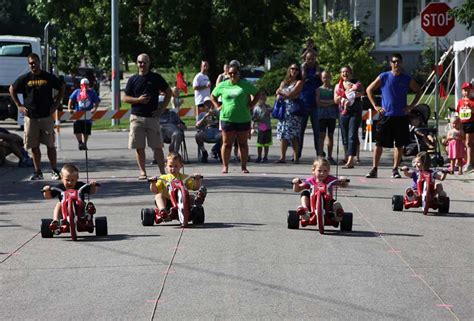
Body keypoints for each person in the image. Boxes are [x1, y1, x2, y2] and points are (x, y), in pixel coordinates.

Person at [9, 53, 65, 180]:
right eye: (30, 63)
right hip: (31, 117)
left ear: (39, 62)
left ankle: (54, 170)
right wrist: (19, 105)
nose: (33, 65)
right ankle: (37, 171)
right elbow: (12, 89)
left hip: (46, 116)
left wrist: (56, 104)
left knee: (50, 145)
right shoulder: (25, 78)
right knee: (34, 146)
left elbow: (62, 87)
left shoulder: (48, 77)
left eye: (34, 62)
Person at [365, 53, 422, 179]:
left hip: (400, 115)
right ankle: (374, 168)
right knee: (379, 143)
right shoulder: (384, 76)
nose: (396, 64)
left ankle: (395, 169)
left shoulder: (406, 78)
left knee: (399, 143)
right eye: (394, 61)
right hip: (386, 115)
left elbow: (418, 90)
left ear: (401, 63)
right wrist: (376, 106)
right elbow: (369, 89)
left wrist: (411, 106)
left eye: (398, 61)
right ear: (390, 63)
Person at [124, 53, 172, 180]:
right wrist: (138, 100)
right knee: (139, 146)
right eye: (140, 62)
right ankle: (142, 172)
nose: (142, 65)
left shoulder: (156, 78)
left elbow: (169, 92)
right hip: (137, 117)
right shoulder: (133, 79)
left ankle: (163, 172)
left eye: (145, 62)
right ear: (137, 63)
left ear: (149, 63)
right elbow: (126, 98)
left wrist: (161, 109)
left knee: (157, 146)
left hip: (152, 117)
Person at [211, 63, 260, 174]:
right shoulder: (223, 85)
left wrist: (252, 104)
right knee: (227, 144)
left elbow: (257, 93)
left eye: (235, 73)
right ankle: (225, 166)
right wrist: (217, 106)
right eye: (230, 73)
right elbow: (213, 96)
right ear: (227, 74)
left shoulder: (245, 84)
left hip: (243, 118)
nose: (232, 75)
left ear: (239, 73)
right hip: (227, 118)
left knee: (242, 144)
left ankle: (243, 166)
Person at [149, 152, 206, 223]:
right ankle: (163, 211)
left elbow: (195, 187)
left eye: (176, 166)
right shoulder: (163, 178)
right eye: (170, 166)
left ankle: (196, 202)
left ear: (181, 165)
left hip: (184, 202)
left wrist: (197, 180)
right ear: (166, 165)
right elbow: (155, 190)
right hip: (167, 203)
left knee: (191, 196)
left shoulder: (184, 177)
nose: (173, 168)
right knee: (158, 196)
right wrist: (153, 183)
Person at [42, 163, 98, 232]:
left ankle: (88, 215)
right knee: (59, 204)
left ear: (77, 178)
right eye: (67, 180)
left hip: (80, 210)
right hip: (64, 211)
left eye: (72, 180)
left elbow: (92, 191)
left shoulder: (80, 186)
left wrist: (93, 185)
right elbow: (48, 197)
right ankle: (55, 221)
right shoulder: (59, 187)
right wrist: (46, 191)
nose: (70, 182)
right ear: (62, 177)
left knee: (84, 203)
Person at [291, 158, 349, 225]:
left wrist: (343, 180)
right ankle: (305, 210)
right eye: (319, 171)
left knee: (336, 204)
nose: (322, 173)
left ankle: (338, 215)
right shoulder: (310, 181)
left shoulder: (330, 179)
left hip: (328, 202)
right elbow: (297, 189)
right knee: (305, 193)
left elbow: (343, 185)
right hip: (311, 203)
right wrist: (296, 183)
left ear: (328, 171)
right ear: (313, 171)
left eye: (325, 171)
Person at [334, 66, 364, 168]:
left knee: (352, 135)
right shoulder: (338, 85)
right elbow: (336, 100)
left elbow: (361, 93)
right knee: (345, 136)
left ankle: (351, 160)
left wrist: (352, 93)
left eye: (346, 72)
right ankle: (347, 157)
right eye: (342, 72)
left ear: (351, 73)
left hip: (354, 112)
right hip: (343, 112)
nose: (344, 74)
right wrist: (344, 95)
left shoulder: (356, 83)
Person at [274, 64, 304, 164]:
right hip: (283, 109)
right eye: (292, 69)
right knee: (283, 134)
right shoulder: (285, 82)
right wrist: (283, 94)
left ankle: (296, 157)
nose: (294, 71)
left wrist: (282, 93)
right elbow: (277, 93)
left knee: (293, 135)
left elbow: (291, 94)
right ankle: (282, 157)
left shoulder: (299, 82)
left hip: (293, 110)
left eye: (296, 69)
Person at [299, 51, 322, 159]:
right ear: (305, 60)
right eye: (308, 59)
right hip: (303, 103)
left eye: (312, 58)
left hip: (315, 104)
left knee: (317, 131)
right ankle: (297, 153)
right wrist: (303, 68)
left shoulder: (319, 70)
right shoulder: (301, 71)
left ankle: (319, 153)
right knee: (300, 131)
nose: (311, 61)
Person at [68, 78, 100, 150]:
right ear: (80, 85)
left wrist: (94, 108)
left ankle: (85, 143)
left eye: (86, 85)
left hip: (88, 115)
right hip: (78, 114)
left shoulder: (92, 92)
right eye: (83, 85)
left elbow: (97, 101)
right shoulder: (77, 92)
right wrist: (69, 108)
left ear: (88, 85)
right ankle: (80, 142)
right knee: (77, 128)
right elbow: (71, 99)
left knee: (86, 130)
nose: (85, 86)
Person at [316, 71, 338, 165]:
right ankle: (320, 155)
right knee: (321, 135)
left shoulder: (333, 89)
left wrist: (325, 102)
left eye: (328, 77)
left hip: (331, 115)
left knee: (330, 135)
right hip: (322, 115)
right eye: (324, 77)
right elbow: (318, 102)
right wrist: (330, 102)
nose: (326, 79)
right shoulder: (318, 89)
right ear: (321, 78)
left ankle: (329, 156)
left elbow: (335, 100)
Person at [195, 97, 221, 163]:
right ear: (204, 105)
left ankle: (220, 151)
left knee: (225, 135)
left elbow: (224, 123)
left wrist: (217, 114)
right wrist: (205, 117)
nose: (208, 105)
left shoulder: (218, 113)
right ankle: (204, 152)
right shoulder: (201, 114)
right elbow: (197, 126)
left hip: (217, 132)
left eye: (210, 103)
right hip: (206, 132)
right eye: (206, 103)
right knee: (197, 135)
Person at [456, 81, 474, 173]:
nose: (466, 92)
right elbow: (458, 112)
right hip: (463, 124)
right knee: (464, 143)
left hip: (471, 123)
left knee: (469, 143)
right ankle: (467, 161)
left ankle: (469, 163)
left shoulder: (473, 101)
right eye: (465, 90)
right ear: (462, 91)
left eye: (468, 90)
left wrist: (471, 108)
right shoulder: (461, 102)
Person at [251, 91, 272, 163]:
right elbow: (253, 118)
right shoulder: (256, 108)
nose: (262, 99)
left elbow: (270, 114)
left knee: (266, 143)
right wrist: (253, 126)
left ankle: (265, 156)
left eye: (264, 97)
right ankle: (259, 156)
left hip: (267, 127)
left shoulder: (268, 107)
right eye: (261, 97)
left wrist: (266, 110)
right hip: (260, 127)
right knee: (259, 143)